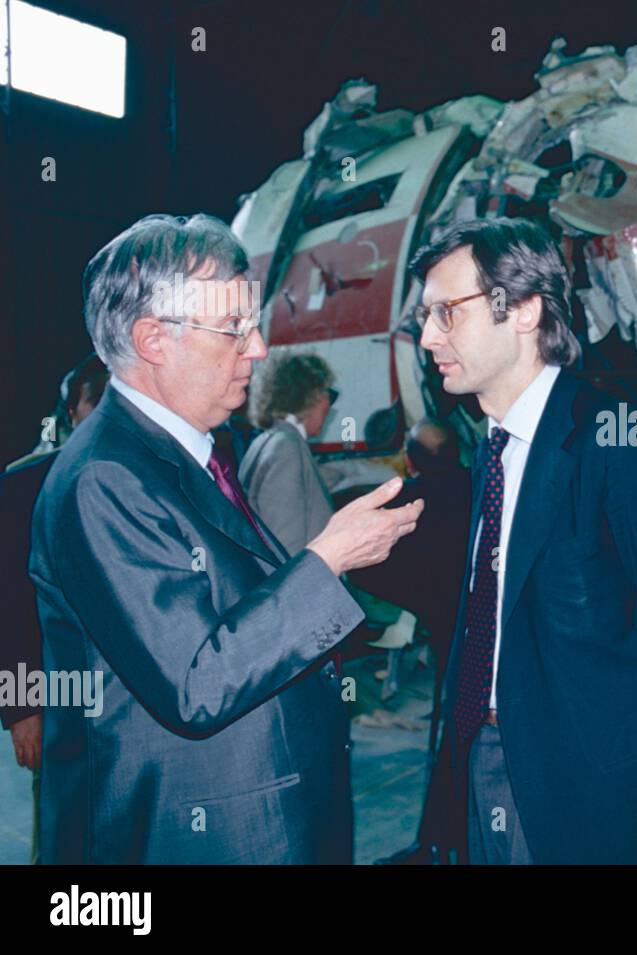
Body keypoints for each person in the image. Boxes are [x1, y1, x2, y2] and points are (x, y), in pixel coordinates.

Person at [28, 213, 423, 864]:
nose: (260, 347)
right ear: (153, 338)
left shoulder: (187, 458)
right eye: (234, 328)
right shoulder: (105, 477)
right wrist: (327, 558)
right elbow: (196, 680)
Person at [412, 217, 637, 864]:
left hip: (595, 785)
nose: (428, 337)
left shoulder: (620, 441)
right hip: (486, 758)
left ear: (526, 309)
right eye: (425, 317)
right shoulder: (492, 449)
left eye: (447, 312)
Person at [0, 354, 109, 864]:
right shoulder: (25, 484)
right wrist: (23, 708)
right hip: (61, 696)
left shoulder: (152, 479)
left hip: (136, 704)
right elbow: (12, 604)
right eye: (98, 401)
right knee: (62, 838)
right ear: (72, 409)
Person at [353, 419, 472, 865]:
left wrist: (421, 603)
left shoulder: (407, 501)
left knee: (451, 735)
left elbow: (365, 567)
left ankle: (438, 842)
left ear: (410, 458)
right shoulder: (482, 487)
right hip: (483, 629)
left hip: (443, 627)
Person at [239, 353, 338, 554]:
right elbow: (287, 549)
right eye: (329, 393)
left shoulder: (264, 442)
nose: (330, 403)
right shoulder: (287, 449)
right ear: (314, 396)